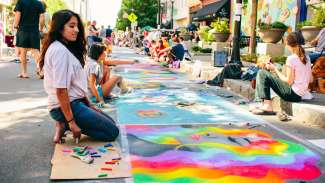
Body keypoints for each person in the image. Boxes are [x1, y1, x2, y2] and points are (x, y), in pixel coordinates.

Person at [39, 10, 119, 143]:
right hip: (65, 106)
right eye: (71, 26)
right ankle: (64, 123)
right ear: (59, 28)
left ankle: (64, 122)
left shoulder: (65, 47)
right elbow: (61, 90)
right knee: (112, 132)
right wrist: (72, 123)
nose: (76, 30)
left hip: (76, 103)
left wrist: (88, 104)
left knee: (111, 122)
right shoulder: (59, 50)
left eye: (77, 26)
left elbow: (76, 85)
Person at [251, 32, 313, 115]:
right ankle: (261, 103)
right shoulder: (307, 57)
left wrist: (275, 69)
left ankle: (266, 105)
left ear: (288, 44)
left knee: (262, 73)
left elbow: (289, 81)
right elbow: (311, 80)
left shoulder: (291, 59)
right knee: (267, 75)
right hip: (300, 95)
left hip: (292, 94)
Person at [14, 0, 45, 78]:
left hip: (22, 30)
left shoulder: (20, 2)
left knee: (23, 51)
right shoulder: (39, 3)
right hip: (34, 30)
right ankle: (42, 71)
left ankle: (24, 72)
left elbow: (18, 15)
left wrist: (15, 26)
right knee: (35, 50)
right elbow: (42, 17)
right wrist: (40, 29)